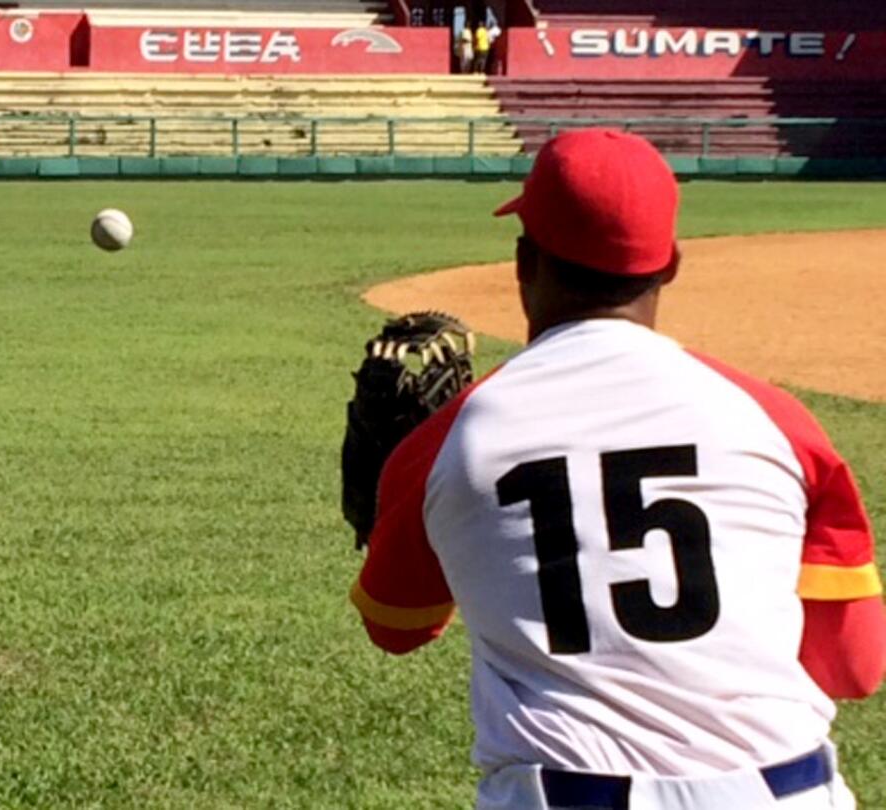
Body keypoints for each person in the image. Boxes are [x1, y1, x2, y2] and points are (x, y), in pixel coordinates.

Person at [350, 129, 886, 810]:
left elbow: (395, 627)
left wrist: (400, 505)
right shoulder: (778, 422)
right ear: (671, 265)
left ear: (524, 261)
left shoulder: (451, 438)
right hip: (788, 793)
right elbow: (856, 666)